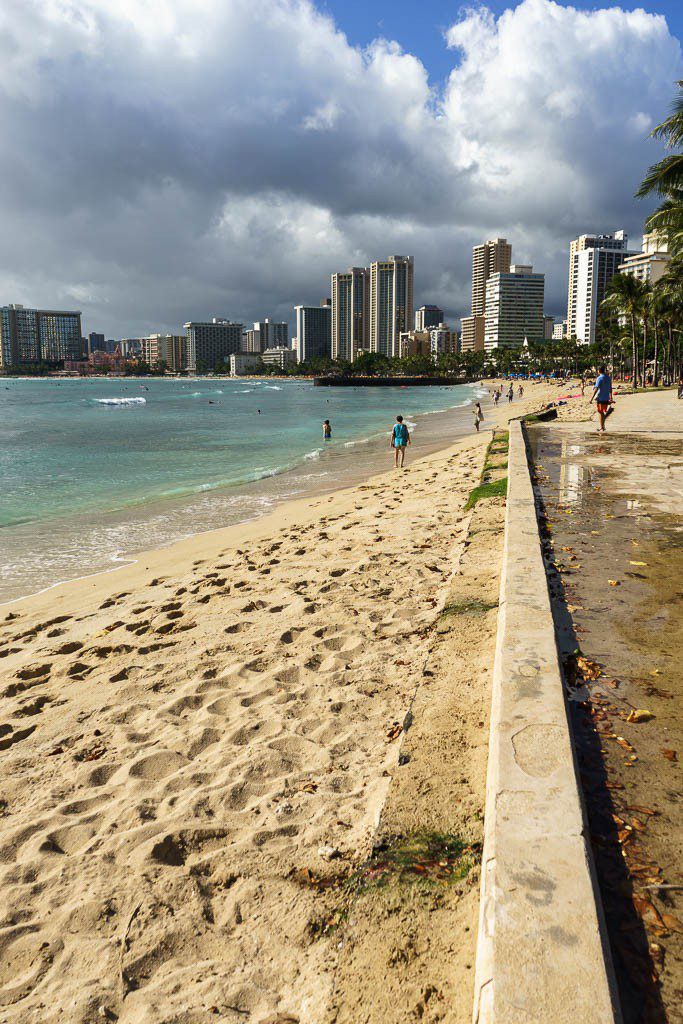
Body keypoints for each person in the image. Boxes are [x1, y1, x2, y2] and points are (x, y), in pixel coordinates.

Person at [590, 365, 614, 432]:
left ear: (598, 371)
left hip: (600, 397)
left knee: (600, 412)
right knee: (602, 412)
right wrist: (611, 397)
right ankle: (603, 427)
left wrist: (591, 399)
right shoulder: (608, 377)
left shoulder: (599, 378)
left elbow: (596, 389)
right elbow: (610, 388)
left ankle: (602, 427)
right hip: (606, 397)